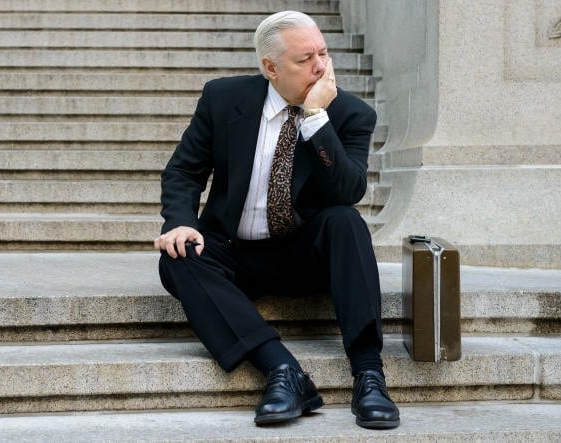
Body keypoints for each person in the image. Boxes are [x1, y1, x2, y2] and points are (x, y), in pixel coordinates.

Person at [153, 10, 399, 429]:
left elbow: (349, 191)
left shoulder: (350, 114)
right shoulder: (223, 98)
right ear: (271, 68)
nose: (320, 66)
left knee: (346, 222)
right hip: (233, 253)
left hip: (304, 255)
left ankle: (369, 374)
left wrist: (316, 118)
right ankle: (282, 370)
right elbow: (184, 171)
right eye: (305, 59)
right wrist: (180, 221)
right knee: (178, 256)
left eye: (323, 53)